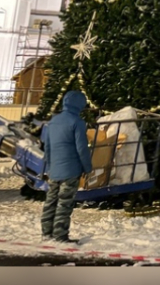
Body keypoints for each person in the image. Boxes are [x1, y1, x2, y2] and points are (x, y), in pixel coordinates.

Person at [40, 90, 93, 243]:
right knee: (64, 203)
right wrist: (87, 168)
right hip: (71, 171)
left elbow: (47, 147)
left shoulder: (53, 122)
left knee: (50, 202)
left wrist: (50, 166)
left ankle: (46, 233)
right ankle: (60, 236)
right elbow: (82, 148)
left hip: (55, 170)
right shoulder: (77, 122)